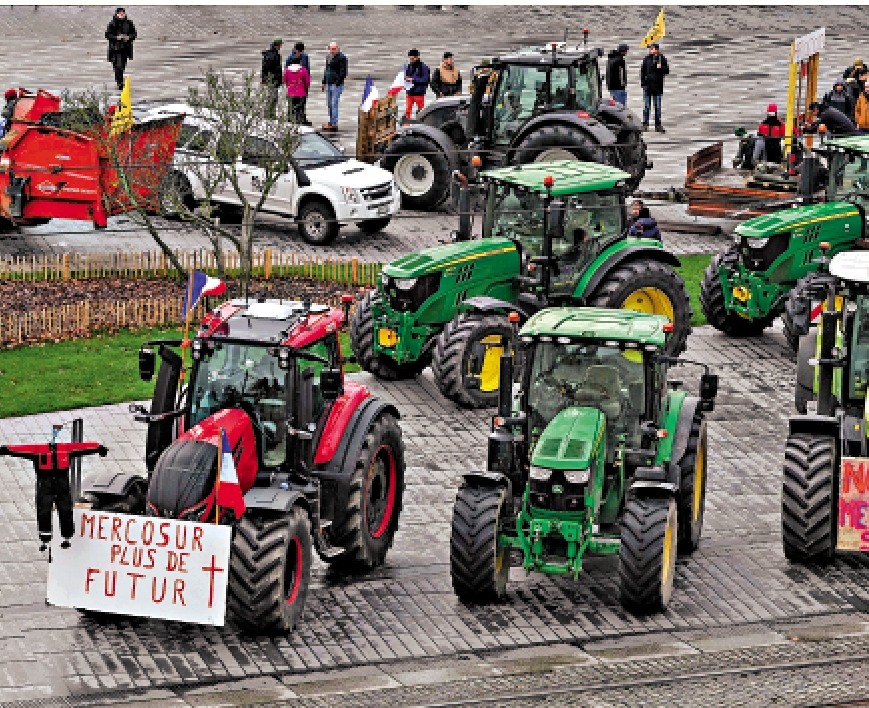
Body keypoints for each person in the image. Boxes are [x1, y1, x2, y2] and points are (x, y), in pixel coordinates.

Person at [105, 7, 137, 91]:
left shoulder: (129, 23)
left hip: (126, 48)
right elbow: (108, 35)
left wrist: (128, 37)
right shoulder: (112, 23)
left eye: (123, 12)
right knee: (118, 66)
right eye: (120, 13)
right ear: (117, 14)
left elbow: (134, 34)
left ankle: (119, 80)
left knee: (122, 66)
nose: (122, 14)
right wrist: (116, 38)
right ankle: (119, 82)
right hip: (115, 49)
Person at [640, 42, 669, 132]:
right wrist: (643, 83)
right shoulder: (646, 59)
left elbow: (667, 71)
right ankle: (645, 124)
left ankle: (658, 125)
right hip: (648, 87)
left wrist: (660, 68)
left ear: (656, 50)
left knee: (657, 107)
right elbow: (642, 71)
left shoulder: (662, 59)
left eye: (652, 48)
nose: (650, 50)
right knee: (646, 106)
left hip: (658, 86)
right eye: (650, 49)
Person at [321, 41, 348, 131]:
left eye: (334, 49)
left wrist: (337, 82)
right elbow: (327, 69)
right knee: (329, 104)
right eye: (331, 49)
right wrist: (324, 81)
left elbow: (343, 72)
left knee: (334, 104)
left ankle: (334, 123)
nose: (333, 51)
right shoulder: (328, 57)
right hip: (329, 83)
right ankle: (331, 121)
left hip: (336, 85)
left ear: (337, 48)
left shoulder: (342, 58)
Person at [283, 54, 311, 124]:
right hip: (301, 93)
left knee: (291, 109)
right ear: (300, 62)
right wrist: (305, 88)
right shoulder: (303, 70)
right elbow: (307, 81)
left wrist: (289, 86)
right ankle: (299, 122)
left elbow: (284, 80)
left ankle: (290, 122)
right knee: (300, 109)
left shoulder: (287, 70)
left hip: (290, 92)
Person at [404, 49, 430, 119]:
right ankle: (406, 126)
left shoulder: (424, 67)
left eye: (413, 58)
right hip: (409, 92)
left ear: (417, 57)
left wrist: (413, 80)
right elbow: (406, 77)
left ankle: (421, 125)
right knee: (407, 111)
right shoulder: (409, 66)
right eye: (410, 58)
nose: (411, 60)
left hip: (419, 93)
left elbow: (425, 80)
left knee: (421, 111)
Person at [261, 38, 283, 120]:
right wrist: (264, 78)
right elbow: (266, 67)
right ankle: (268, 114)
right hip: (272, 79)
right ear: (278, 45)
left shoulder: (273, 54)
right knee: (272, 97)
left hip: (273, 79)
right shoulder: (272, 55)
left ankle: (271, 113)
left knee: (273, 97)